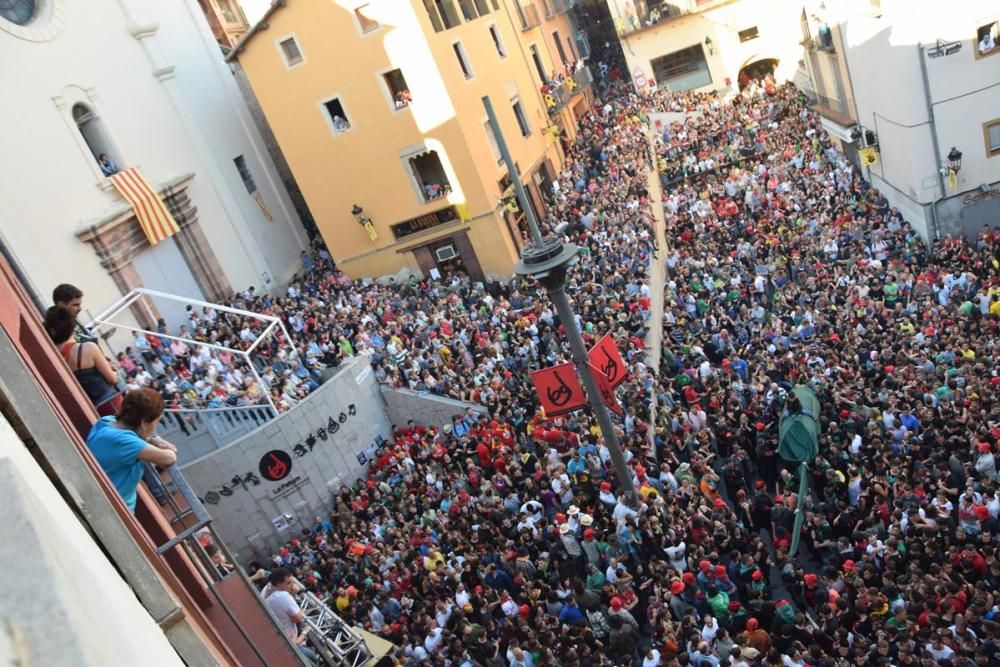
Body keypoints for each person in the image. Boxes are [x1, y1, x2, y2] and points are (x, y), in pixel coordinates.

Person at [85, 388, 177, 512]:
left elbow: (135, 438)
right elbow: (168, 458)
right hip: (114, 511)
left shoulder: (107, 421)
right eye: (157, 421)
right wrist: (164, 446)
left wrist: (152, 439)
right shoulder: (125, 442)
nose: (155, 426)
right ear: (144, 422)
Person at [45, 306, 122, 416]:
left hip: (88, 409)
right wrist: (115, 371)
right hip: (110, 402)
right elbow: (112, 379)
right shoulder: (88, 348)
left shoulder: (52, 354)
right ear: (72, 326)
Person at [264, 567, 319, 663]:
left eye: (292, 582)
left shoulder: (267, 592)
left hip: (283, 643)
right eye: (288, 583)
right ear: (278, 585)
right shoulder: (283, 595)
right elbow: (298, 618)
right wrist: (305, 632)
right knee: (313, 658)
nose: (292, 585)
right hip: (292, 647)